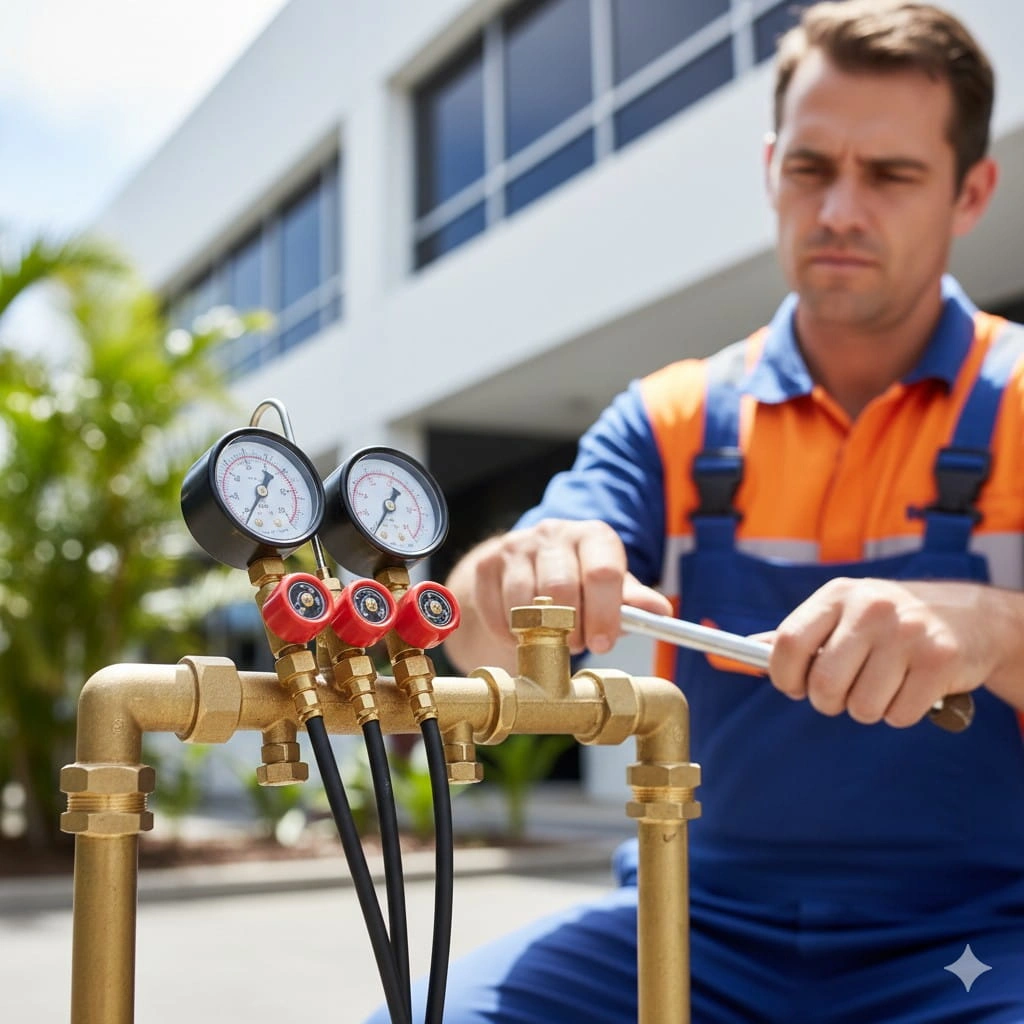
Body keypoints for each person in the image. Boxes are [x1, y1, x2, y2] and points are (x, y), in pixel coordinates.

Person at [370, 1, 1024, 1020]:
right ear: (770, 169)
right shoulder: (669, 419)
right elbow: (481, 639)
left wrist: (991, 629)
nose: (839, 208)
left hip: (980, 939)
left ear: (971, 190)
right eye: (811, 167)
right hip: (691, 923)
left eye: (891, 174)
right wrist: (511, 578)